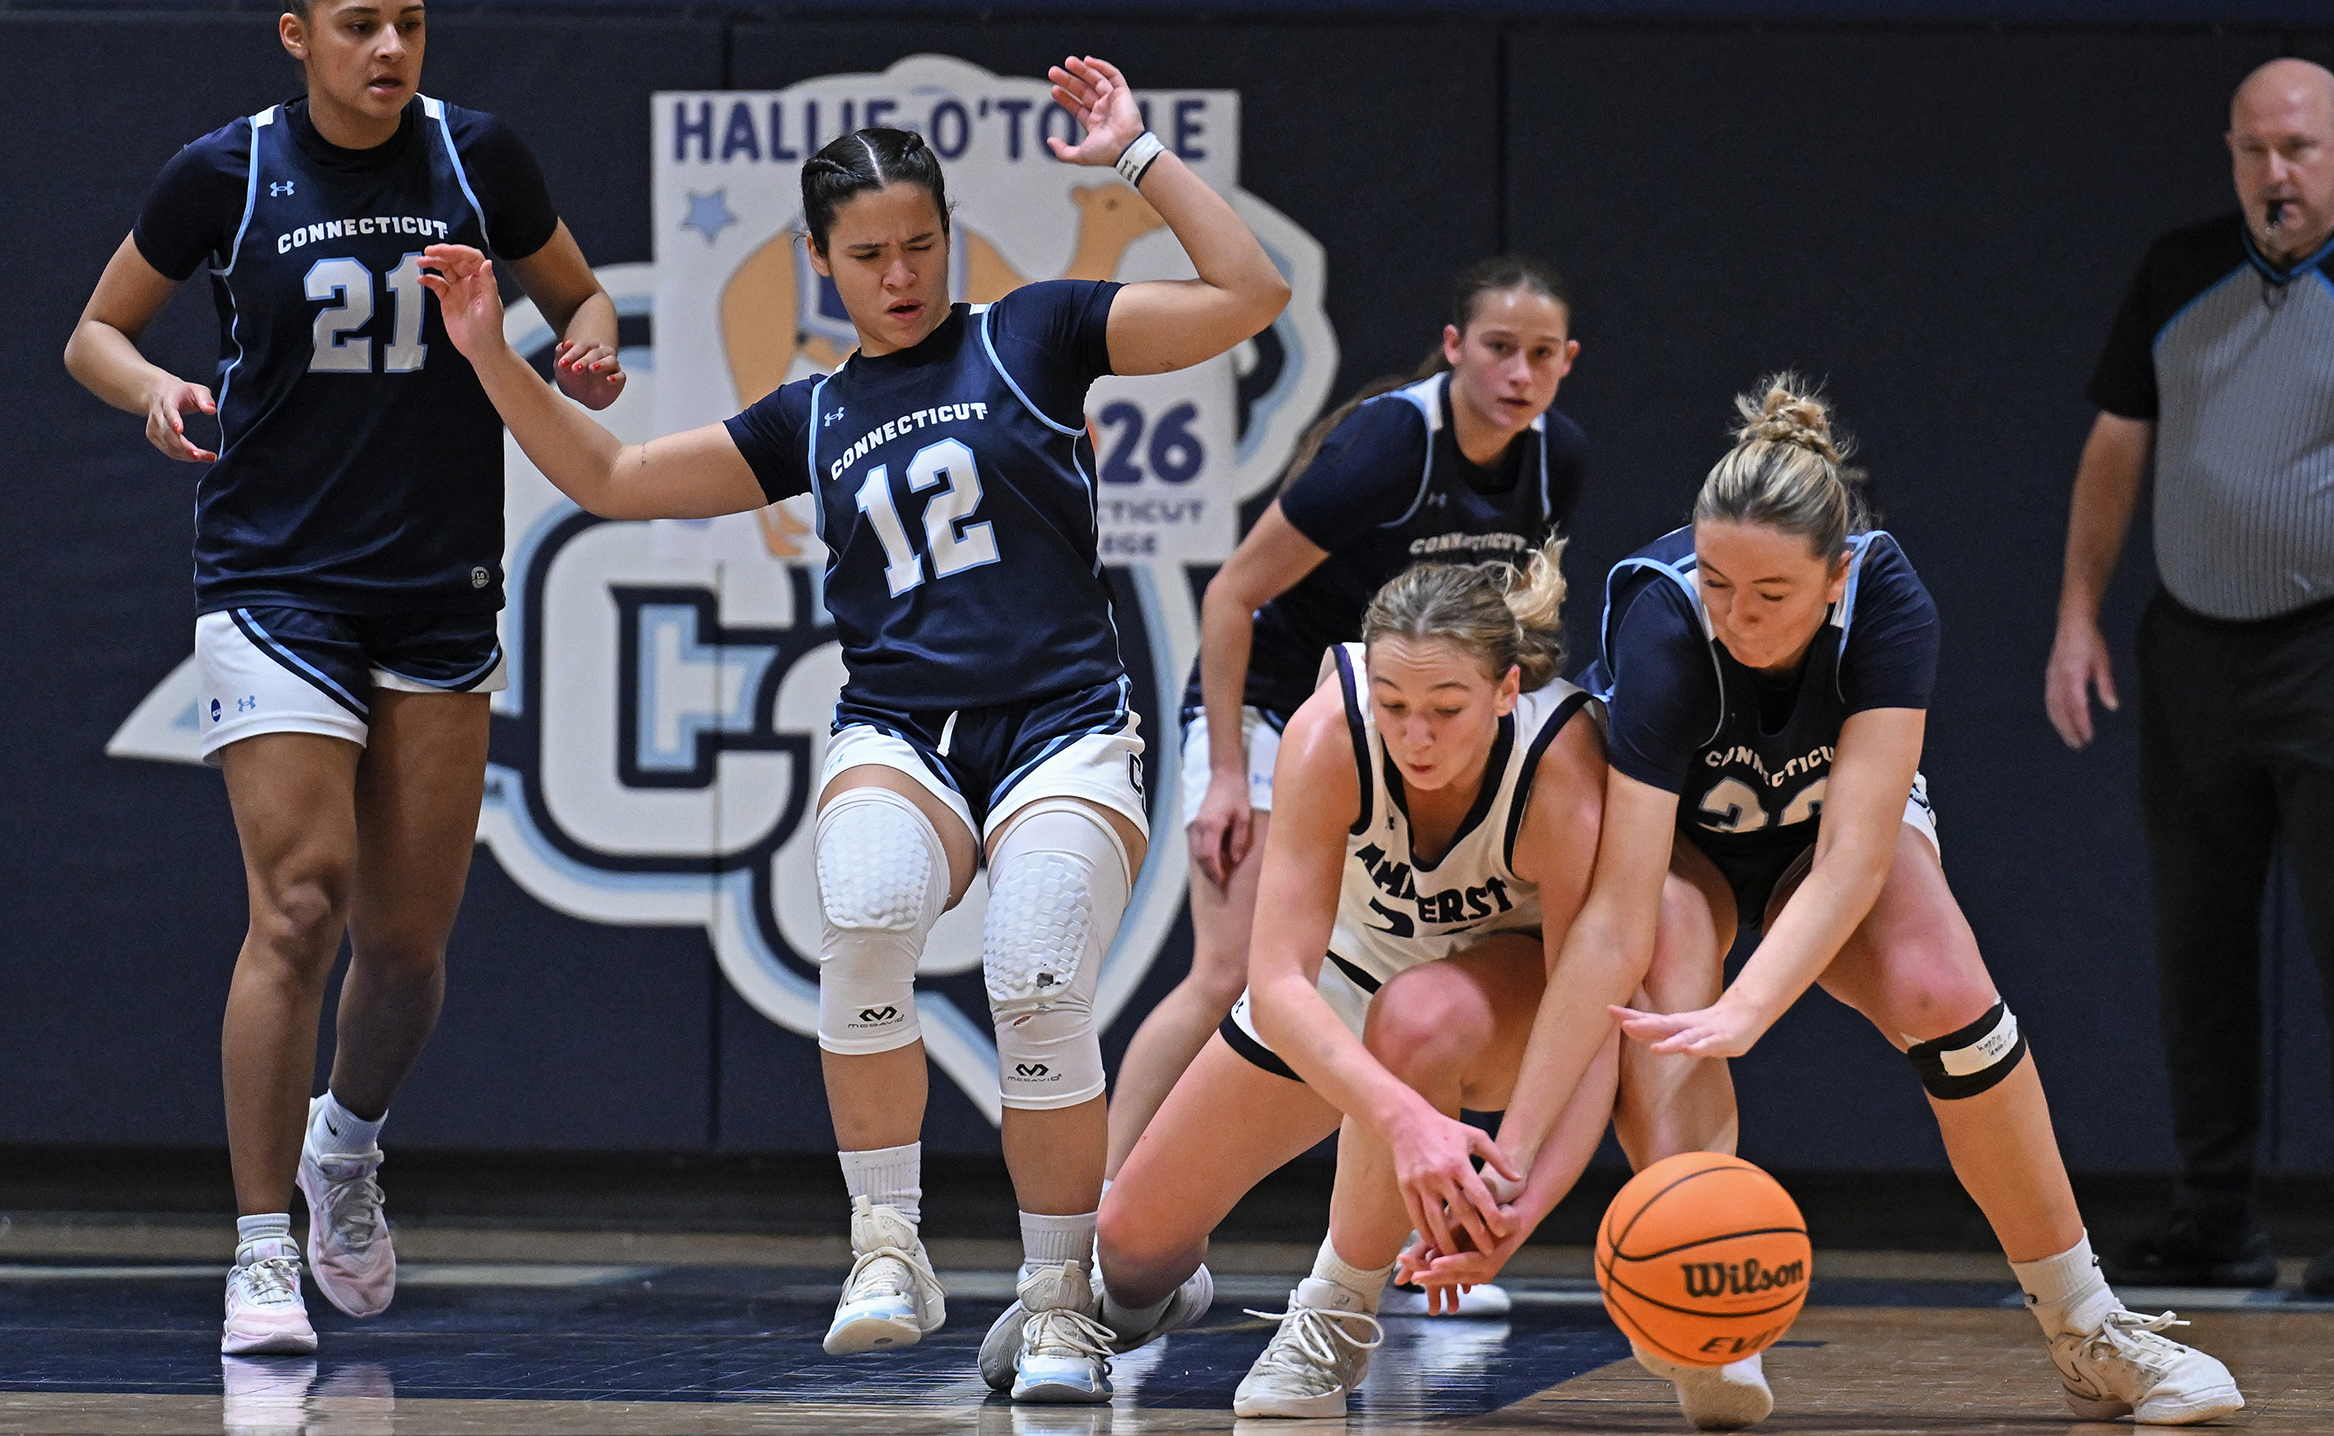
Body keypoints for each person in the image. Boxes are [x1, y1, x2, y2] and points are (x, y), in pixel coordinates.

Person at [415, 56, 1288, 1404]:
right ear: (822, 264)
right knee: (869, 909)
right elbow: (614, 476)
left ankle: (1061, 1304)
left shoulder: (1035, 332)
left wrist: (1133, 155)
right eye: (870, 254)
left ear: (951, 235)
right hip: (901, 728)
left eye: (921, 244)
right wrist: (487, 352)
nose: (901, 273)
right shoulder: (810, 410)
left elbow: (1249, 296)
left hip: (1061, 725)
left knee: (1039, 984)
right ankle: (887, 1245)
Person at [1412, 375, 2244, 1427]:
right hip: (1690, 854)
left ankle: (2087, 1327)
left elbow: (1853, 855)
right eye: (1718, 584)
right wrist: (1513, 1164)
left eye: (1769, 596)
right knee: (1666, 987)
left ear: (1837, 574)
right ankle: (1701, 1310)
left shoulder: (1889, 599)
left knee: (1946, 986)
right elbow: (1614, 918)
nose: (1738, 617)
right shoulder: (1666, 624)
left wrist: (1753, 1003)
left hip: (1820, 839)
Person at [63, 0, 623, 1357]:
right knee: (300, 903)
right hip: (276, 582)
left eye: (411, 25)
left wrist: (586, 350)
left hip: (437, 587)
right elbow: (94, 332)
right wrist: (147, 388)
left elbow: (581, 294)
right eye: (361, 25)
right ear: (295, 35)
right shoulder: (227, 171)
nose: (390, 50)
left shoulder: (478, 155)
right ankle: (260, 1252)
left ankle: (346, 1150)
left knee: (407, 949)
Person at [1089, 541, 1739, 1421]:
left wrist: (1514, 1197)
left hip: (1497, 994)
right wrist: (1404, 1122)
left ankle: (1336, 1310)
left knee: (1417, 1018)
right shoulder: (1330, 731)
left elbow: (1592, 1024)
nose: (1416, 735)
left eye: (1446, 708)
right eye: (1395, 706)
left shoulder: (1559, 768)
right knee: (1131, 1243)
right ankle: (1112, 1305)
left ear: (1507, 691)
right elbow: (1278, 981)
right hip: (1349, 966)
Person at [1106, 258, 1588, 1238]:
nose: (1519, 373)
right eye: (1499, 348)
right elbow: (1233, 593)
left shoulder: (1556, 459)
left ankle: (1418, 1222)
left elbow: (1512, 631)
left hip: (1406, 715)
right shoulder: (1387, 448)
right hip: (1286, 704)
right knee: (1234, 967)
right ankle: (1101, 1221)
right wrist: (1232, 773)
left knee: (1429, 975)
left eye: (1542, 354)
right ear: (1455, 349)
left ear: (1568, 363)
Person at [2046, 56, 2334, 1299]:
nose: (2279, 173)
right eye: (2258, 150)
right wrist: (2076, 614)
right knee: (2199, 948)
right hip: (2194, 651)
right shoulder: (2177, 271)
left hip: (2326, 649)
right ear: (2230, 153)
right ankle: (2218, 1215)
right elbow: (2117, 446)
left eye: (2305, 149)